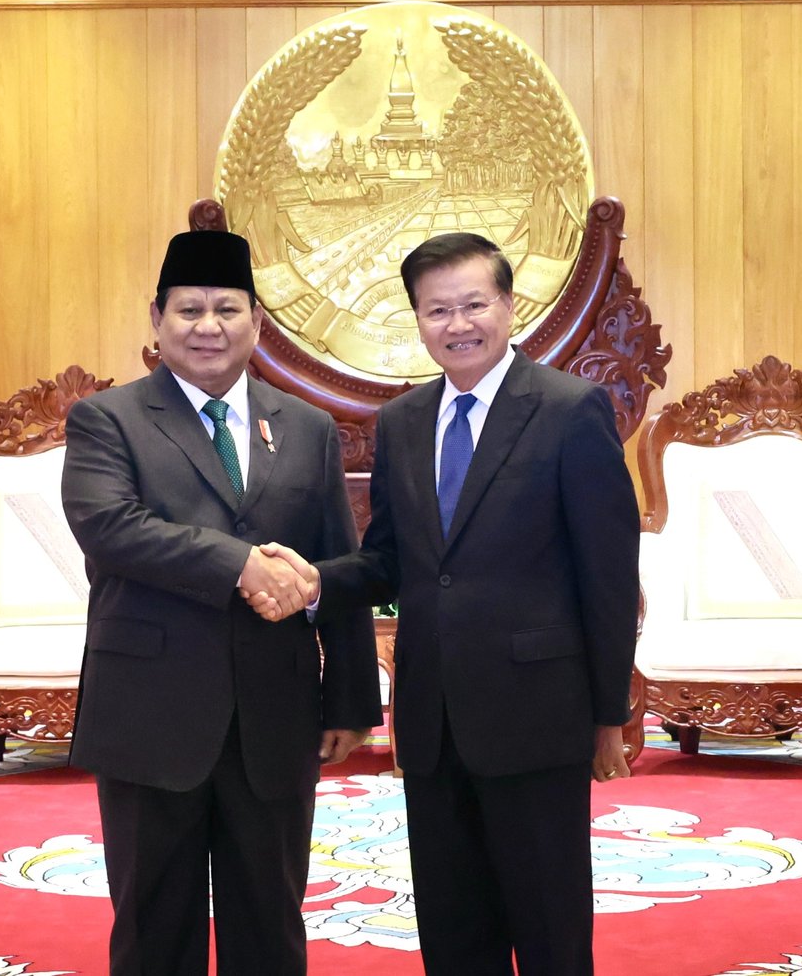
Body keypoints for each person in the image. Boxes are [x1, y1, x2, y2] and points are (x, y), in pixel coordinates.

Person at [249, 231, 640, 975]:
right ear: (418, 321)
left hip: (537, 715)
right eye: (437, 311)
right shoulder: (403, 422)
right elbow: (392, 560)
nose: (458, 325)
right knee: (455, 930)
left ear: (508, 305)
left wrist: (608, 715)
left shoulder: (569, 410)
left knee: (551, 926)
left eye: (473, 304)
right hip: (432, 721)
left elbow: (609, 576)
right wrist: (316, 580)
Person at [61, 229, 381, 976]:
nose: (209, 327)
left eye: (227, 309)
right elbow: (112, 529)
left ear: (257, 322)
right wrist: (240, 564)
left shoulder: (304, 427)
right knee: (153, 923)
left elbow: (339, 565)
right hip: (150, 710)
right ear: (157, 318)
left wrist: (350, 701)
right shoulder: (108, 420)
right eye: (190, 309)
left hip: (275, 712)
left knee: (269, 919)